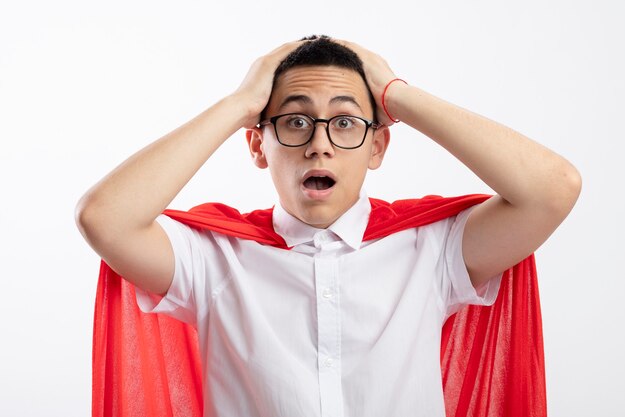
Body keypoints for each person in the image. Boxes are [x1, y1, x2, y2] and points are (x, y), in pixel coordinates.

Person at [76, 35, 581, 417]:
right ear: (258, 146)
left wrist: (396, 94)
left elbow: (552, 188)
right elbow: (105, 218)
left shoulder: (433, 249)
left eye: (345, 122)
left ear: (377, 146)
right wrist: (238, 105)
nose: (320, 144)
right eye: (295, 121)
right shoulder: (211, 259)